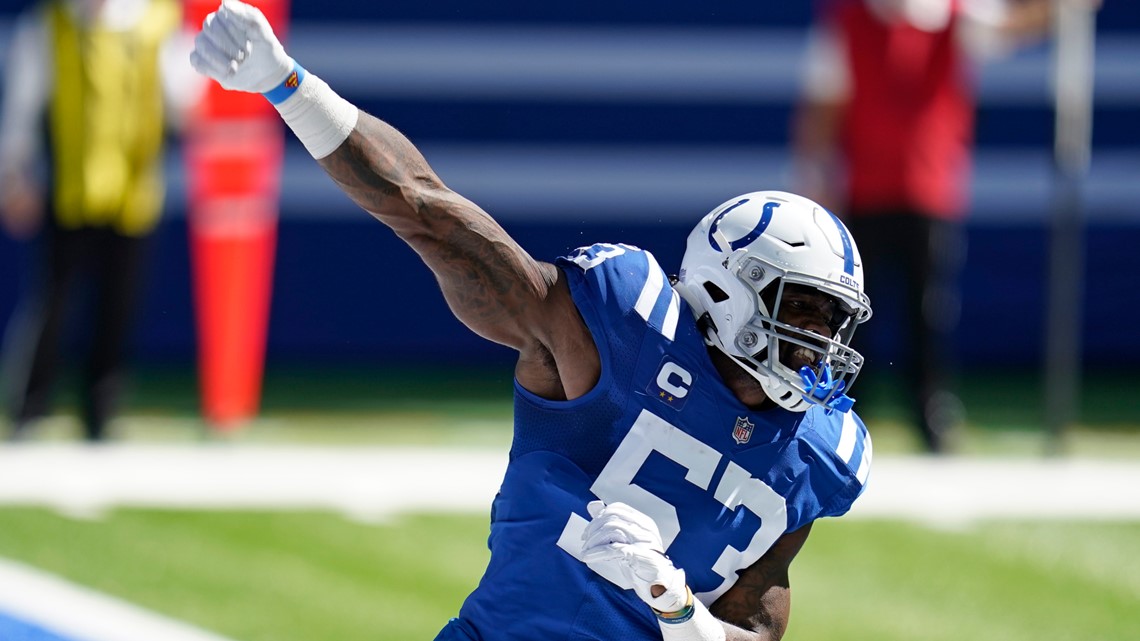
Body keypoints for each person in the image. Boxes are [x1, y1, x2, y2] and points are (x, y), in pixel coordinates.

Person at [191, 2, 875, 639]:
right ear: (729, 288)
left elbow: (755, 620)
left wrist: (680, 611)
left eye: (834, 319)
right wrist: (287, 85)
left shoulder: (818, 453)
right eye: (805, 308)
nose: (820, 339)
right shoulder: (616, 332)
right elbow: (427, 212)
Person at [790, 0, 1093, 453]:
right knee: (849, 316)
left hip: (928, 192)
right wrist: (815, 177)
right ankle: (839, 417)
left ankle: (931, 417)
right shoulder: (848, 23)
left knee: (927, 315)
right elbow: (822, 107)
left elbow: (1015, 25)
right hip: (863, 193)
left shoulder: (955, 18)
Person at [0, 0, 199, 441]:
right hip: (69, 192)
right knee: (51, 306)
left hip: (134, 194)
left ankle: (101, 415)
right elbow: (20, 112)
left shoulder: (158, 23)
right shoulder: (48, 26)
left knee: (117, 310)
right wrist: (14, 176)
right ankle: (29, 412)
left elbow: (185, 105)